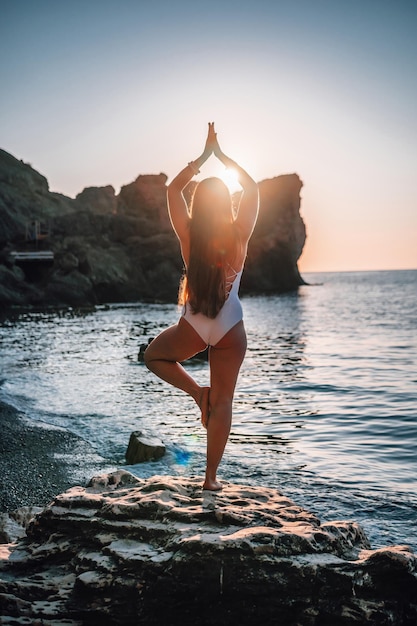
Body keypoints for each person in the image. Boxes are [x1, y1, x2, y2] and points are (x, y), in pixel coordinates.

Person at [144, 122, 259, 491]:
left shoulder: (189, 233)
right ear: (226, 204)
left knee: (153, 356)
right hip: (230, 328)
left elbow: (172, 188)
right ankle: (210, 480)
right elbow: (252, 188)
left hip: (193, 325)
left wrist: (203, 157)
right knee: (224, 401)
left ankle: (196, 394)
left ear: (199, 205)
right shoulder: (240, 233)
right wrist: (223, 157)